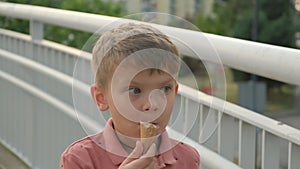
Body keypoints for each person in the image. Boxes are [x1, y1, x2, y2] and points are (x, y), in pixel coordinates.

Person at [60, 22, 200, 169]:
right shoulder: (80, 160)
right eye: (135, 91)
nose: (151, 105)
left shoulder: (188, 159)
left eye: (164, 89)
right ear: (102, 98)